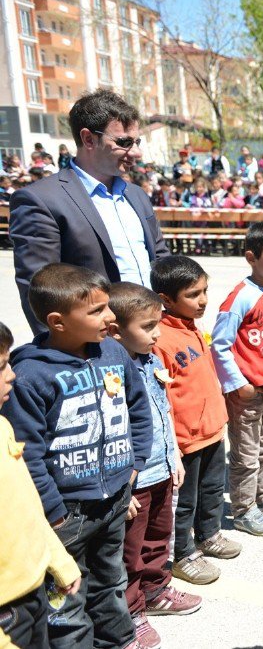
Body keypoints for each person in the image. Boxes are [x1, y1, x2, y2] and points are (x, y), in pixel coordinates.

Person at [0, 264, 153, 648]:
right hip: (67, 514)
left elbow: (138, 407)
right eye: (97, 310)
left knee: (111, 583)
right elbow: (27, 454)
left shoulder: (114, 352)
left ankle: (118, 641)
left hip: (115, 501)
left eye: (107, 307)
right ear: (58, 321)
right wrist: (55, 511)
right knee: (67, 600)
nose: (111, 317)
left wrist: (133, 466)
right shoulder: (31, 374)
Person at [10, 89, 170, 334]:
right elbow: (38, 290)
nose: (136, 152)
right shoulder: (41, 200)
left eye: (137, 142)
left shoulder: (137, 195)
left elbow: (160, 260)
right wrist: (60, 356)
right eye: (124, 142)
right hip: (95, 346)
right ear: (88, 139)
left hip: (155, 335)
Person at [108, 283, 201, 648]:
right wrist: (122, 485)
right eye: (147, 327)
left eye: (157, 324)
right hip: (135, 479)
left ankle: (157, 590)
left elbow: (164, 413)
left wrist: (173, 454)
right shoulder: (111, 371)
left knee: (159, 538)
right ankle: (131, 611)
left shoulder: (152, 359)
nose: (157, 333)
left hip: (161, 469)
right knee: (129, 551)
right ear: (115, 331)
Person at [150, 256, 241, 587]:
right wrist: (172, 445)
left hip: (213, 431)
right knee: (183, 502)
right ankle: (183, 554)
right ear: (166, 299)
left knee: (213, 489)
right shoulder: (159, 339)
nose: (203, 301)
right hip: (186, 439)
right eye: (193, 294)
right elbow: (162, 398)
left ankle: (209, 535)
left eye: (205, 291)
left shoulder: (193, 327)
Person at [0, 320, 82, 649]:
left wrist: (58, 561)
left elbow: (27, 507)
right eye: (2, 366)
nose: (12, 375)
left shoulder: (4, 426)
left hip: (31, 592)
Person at [212, 223, 263, 537]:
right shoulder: (241, 297)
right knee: (245, 456)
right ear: (251, 256)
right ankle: (244, 508)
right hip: (248, 392)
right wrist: (238, 384)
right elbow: (219, 344)